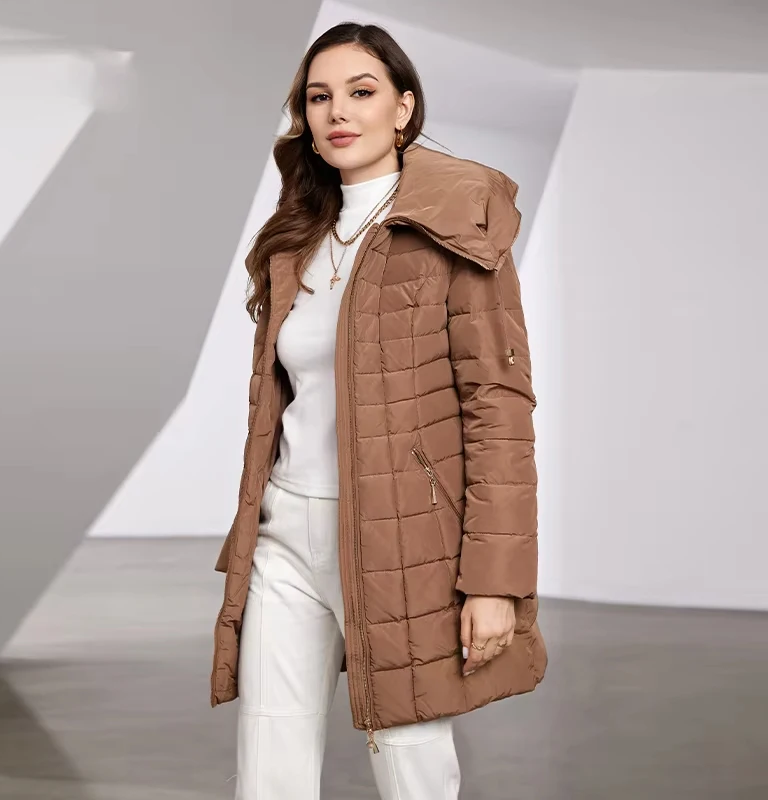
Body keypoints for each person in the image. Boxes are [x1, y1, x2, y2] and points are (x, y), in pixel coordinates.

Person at [211, 21, 547, 800]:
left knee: (409, 759)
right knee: (267, 764)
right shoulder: (297, 239)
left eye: (361, 92)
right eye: (318, 97)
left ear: (403, 109)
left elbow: (498, 409)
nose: (338, 111)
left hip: (403, 537)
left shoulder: (454, 227)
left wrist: (494, 581)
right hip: (284, 533)